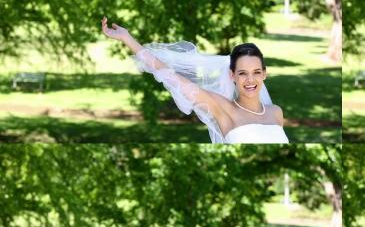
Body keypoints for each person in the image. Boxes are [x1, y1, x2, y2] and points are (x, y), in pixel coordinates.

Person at [101, 16, 288, 143]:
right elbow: (171, 76)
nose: (250, 80)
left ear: (264, 73)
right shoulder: (223, 109)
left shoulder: (276, 113)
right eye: (242, 73)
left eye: (256, 72)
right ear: (232, 75)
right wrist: (127, 39)